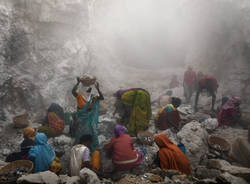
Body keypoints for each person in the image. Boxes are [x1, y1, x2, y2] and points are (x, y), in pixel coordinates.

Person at [72, 77, 104, 151]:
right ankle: (79, 149)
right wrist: (77, 83)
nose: (89, 91)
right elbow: (73, 91)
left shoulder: (93, 98)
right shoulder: (80, 97)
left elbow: (102, 98)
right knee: (80, 134)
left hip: (90, 122)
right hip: (82, 121)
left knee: (92, 134)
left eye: (90, 89)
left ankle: (93, 148)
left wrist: (98, 89)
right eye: (88, 89)